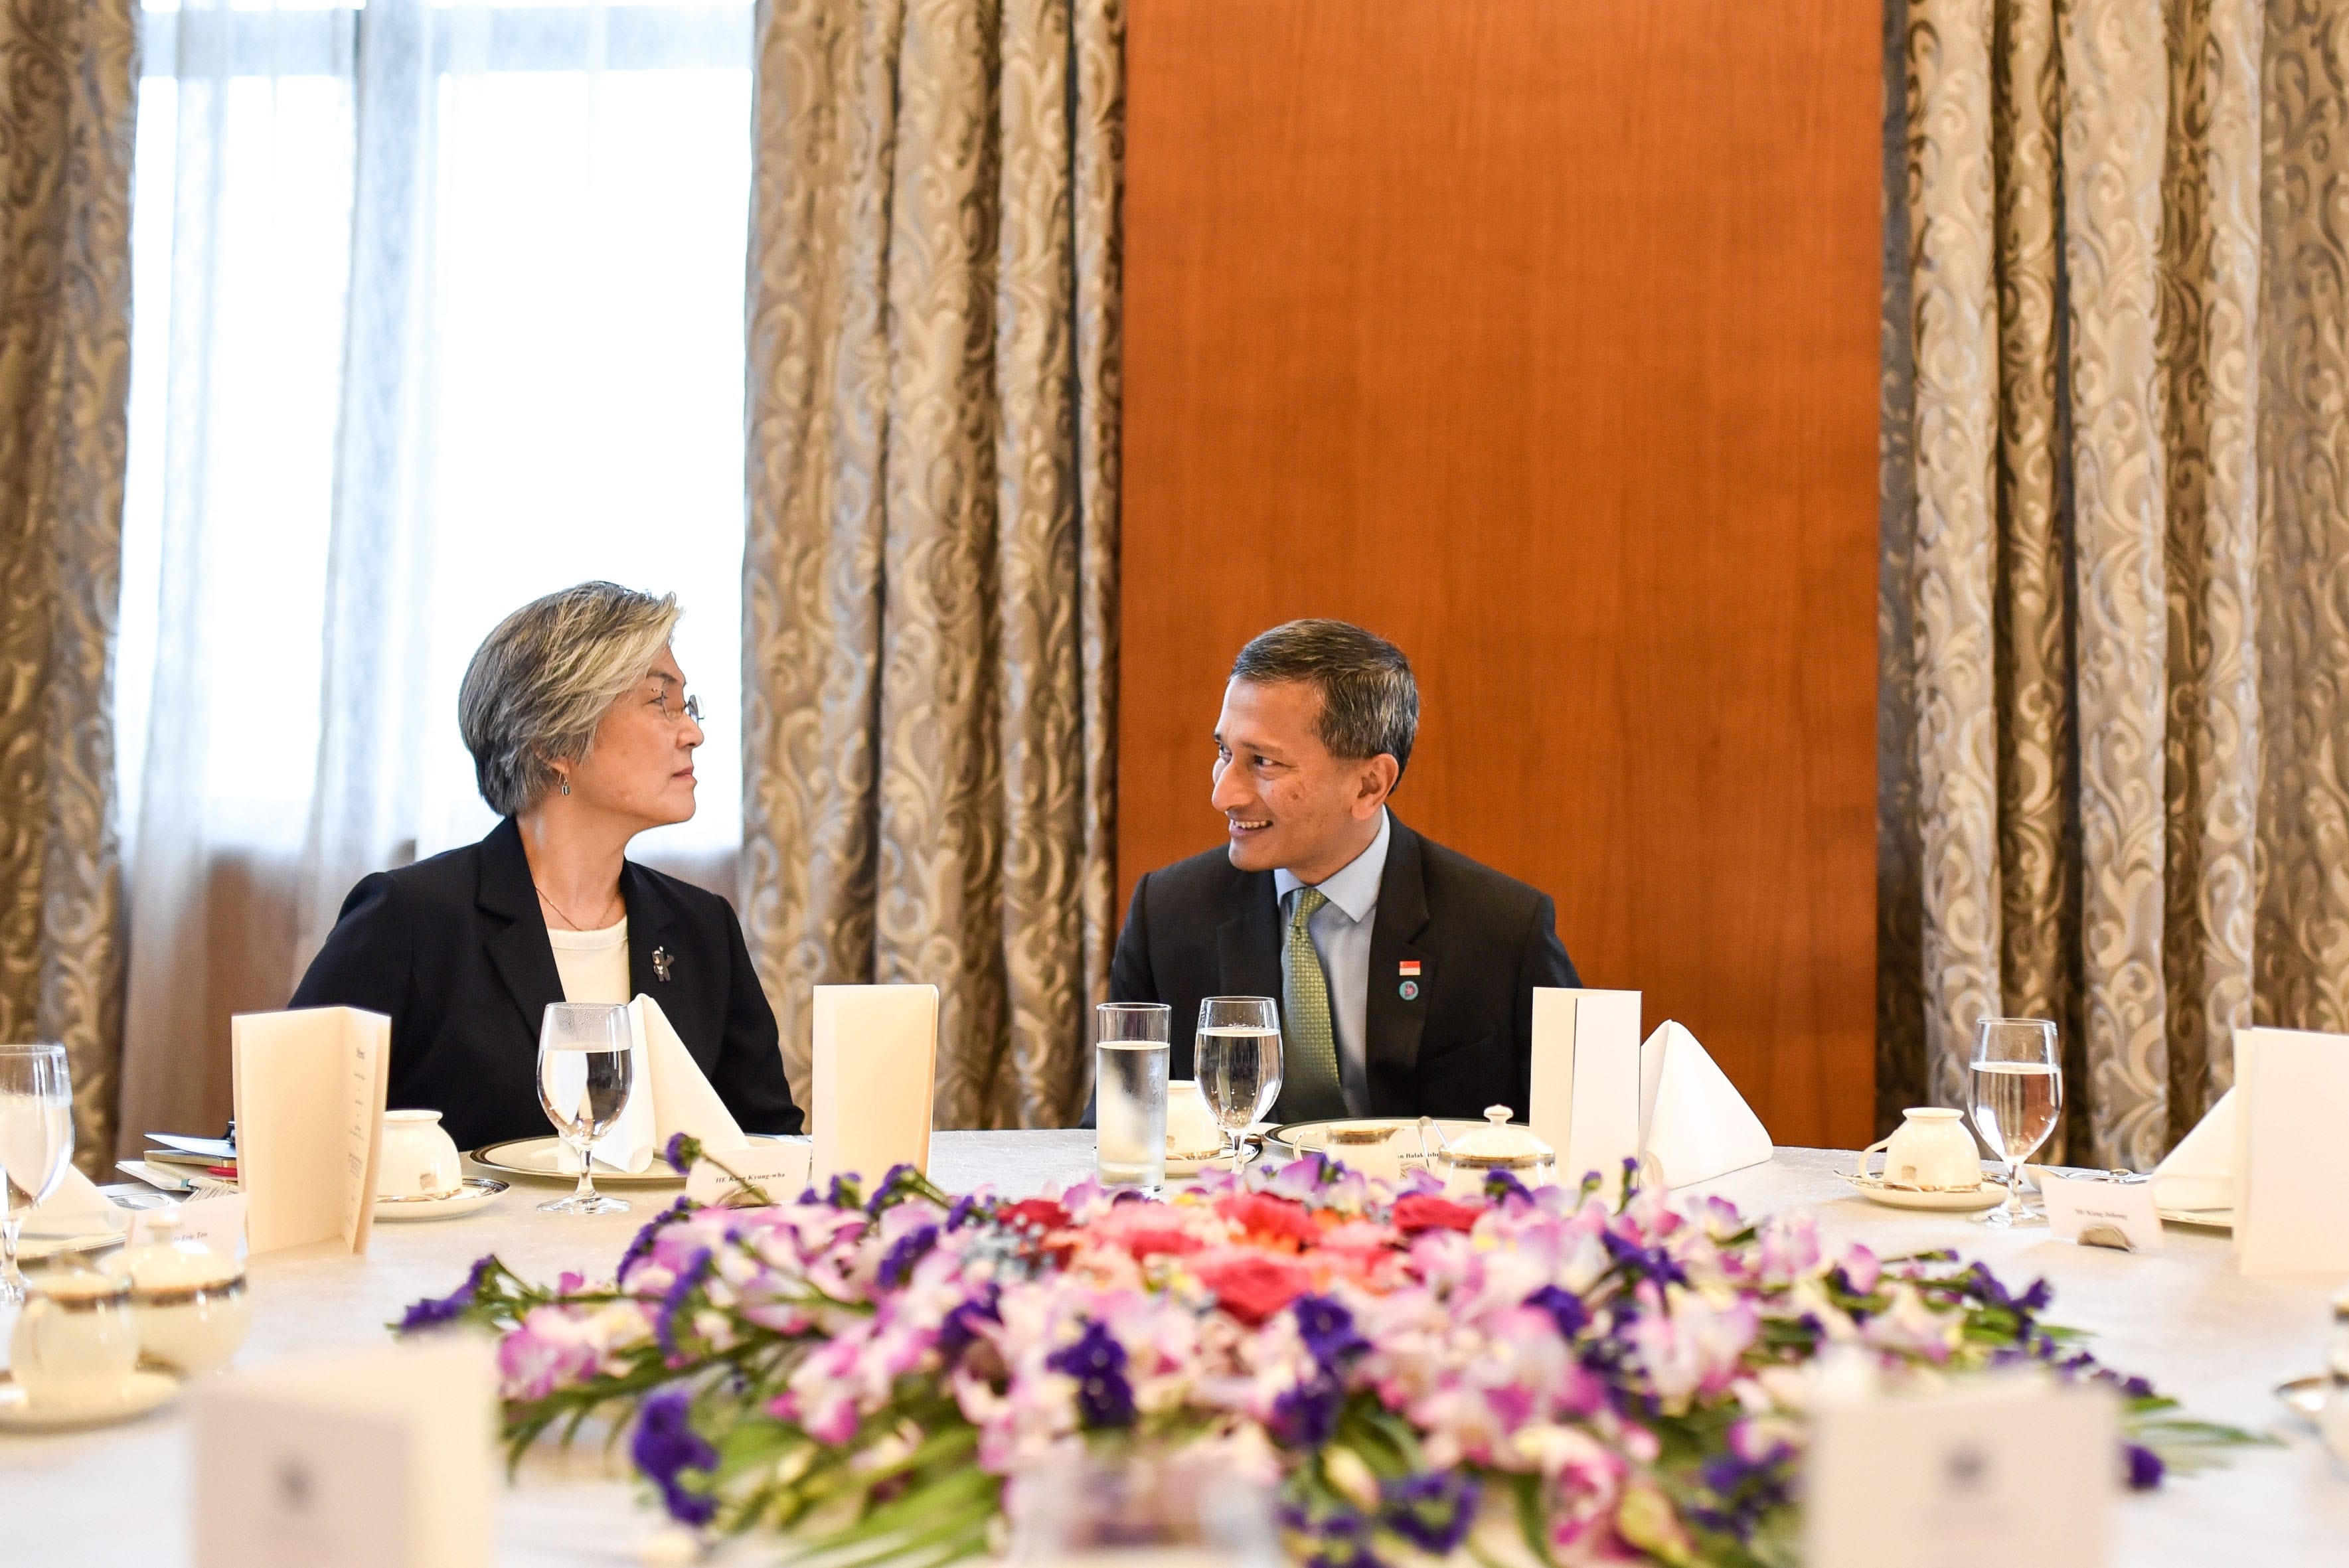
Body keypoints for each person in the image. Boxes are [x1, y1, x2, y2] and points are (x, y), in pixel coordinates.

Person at [291, 582, 801, 1150]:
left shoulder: (702, 928)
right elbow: (283, 1134)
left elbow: (771, 1148)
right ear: (554, 742)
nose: (694, 732)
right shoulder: (412, 919)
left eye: (688, 705)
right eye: (661, 703)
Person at [1109, 619, 1579, 1123]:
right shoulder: (1168, 914)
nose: (1224, 793)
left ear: (1369, 786)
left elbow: (1583, 1132)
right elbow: (1114, 1132)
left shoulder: (1502, 929)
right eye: (1225, 752)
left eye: (1264, 762)